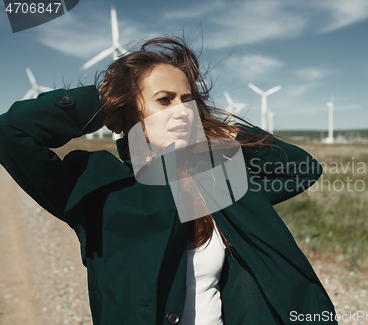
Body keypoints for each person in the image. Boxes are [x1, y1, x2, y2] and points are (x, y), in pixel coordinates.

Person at [0, 36, 338, 325]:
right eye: (164, 100)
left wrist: (223, 130)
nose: (181, 111)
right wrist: (104, 101)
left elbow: (300, 168)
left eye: (188, 101)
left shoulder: (214, 184)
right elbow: (10, 132)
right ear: (128, 108)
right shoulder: (101, 190)